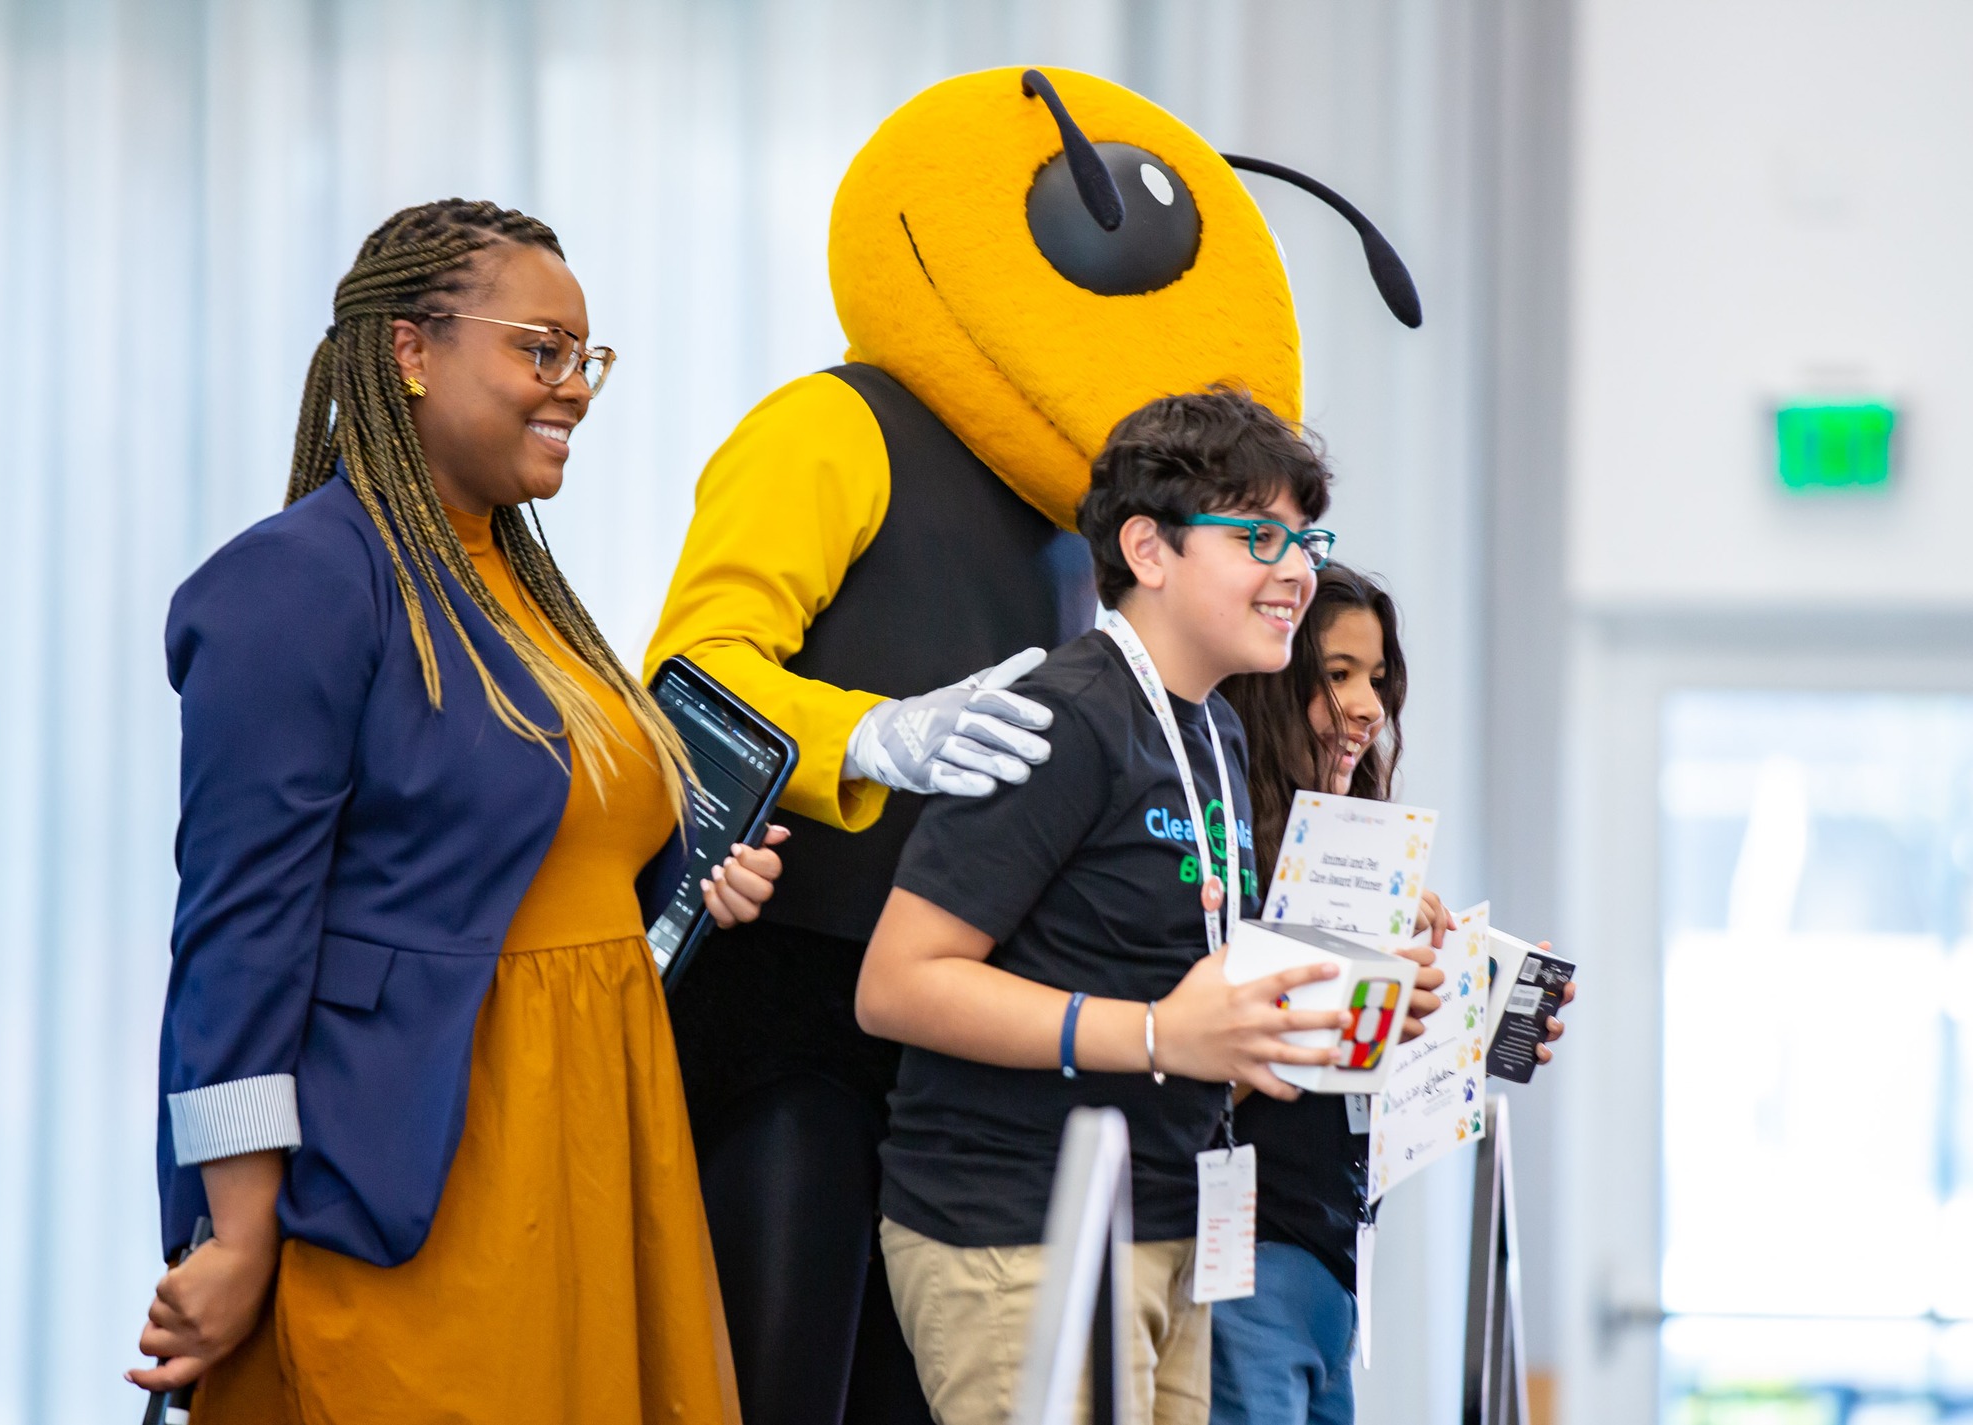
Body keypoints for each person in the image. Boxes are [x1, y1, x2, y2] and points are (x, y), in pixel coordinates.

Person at [642, 65, 1423, 1425]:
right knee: (785, 1377)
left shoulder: (1104, 548)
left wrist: (1358, 979)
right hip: (808, 1008)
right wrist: (878, 736)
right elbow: (693, 678)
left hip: (1028, 1076)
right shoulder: (840, 425)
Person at [126, 199, 781, 1423]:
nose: (574, 387)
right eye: (540, 350)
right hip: (431, 1178)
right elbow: (237, 939)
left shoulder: (521, 582)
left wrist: (686, 880)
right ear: (411, 353)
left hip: (595, 1141)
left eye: (585, 358)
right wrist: (235, 1233)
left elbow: (536, 853)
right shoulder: (299, 580)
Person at [854, 388, 1362, 1425]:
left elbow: (1208, 989)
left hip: (1171, 1226)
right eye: (1257, 535)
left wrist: (1394, 986)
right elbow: (897, 986)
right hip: (1020, 1226)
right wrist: (1154, 1034)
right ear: (1148, 548)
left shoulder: (1212, 730)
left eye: (1303, 538)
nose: (1295, 570)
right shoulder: (1063, 715)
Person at [1210, 564, 1573, 1425]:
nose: (1369, 706)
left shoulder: (1356, 864)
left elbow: (1353, 1079)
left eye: (1377, 678)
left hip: (1334, 1270)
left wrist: (1464, 1024)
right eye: (1338, 674)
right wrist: (1356, 981)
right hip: (1245, 1259)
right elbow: (1199, 1066)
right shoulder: (1224, 864)